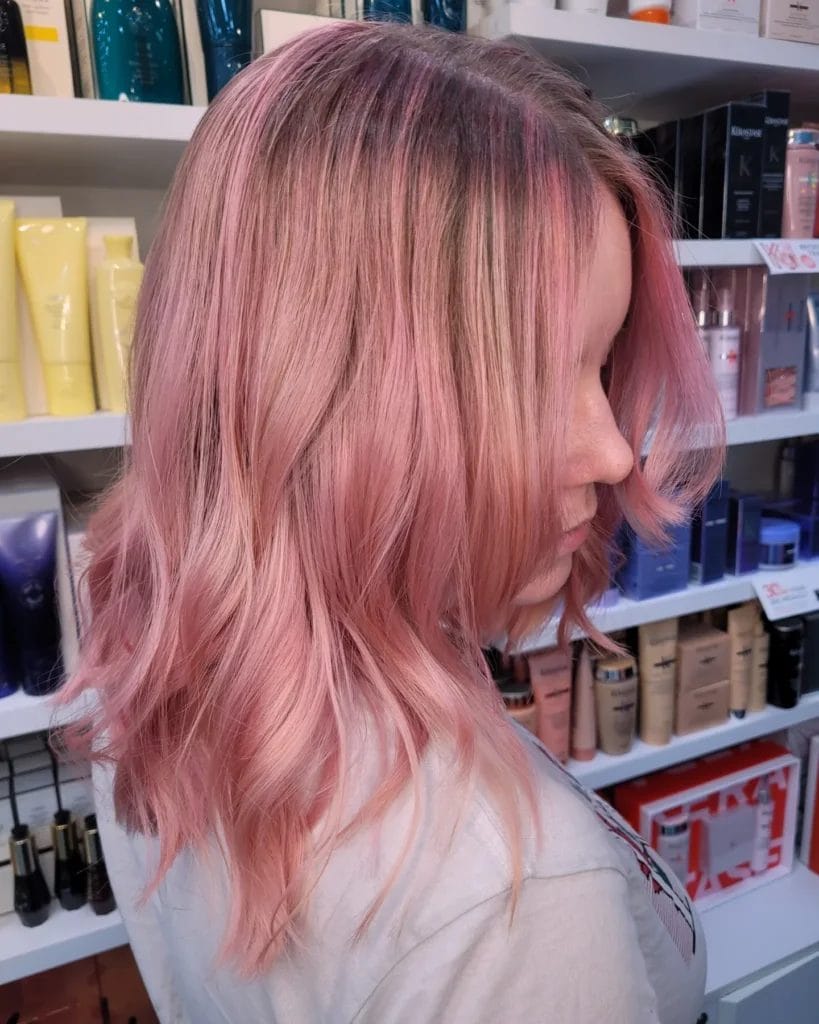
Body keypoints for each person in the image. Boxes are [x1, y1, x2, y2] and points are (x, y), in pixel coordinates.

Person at [64, 22, 724, 1024]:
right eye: (526, 381)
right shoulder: (513, 907)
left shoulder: (157, 669)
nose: (614, 455)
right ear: (320, 399)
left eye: (601, 366)